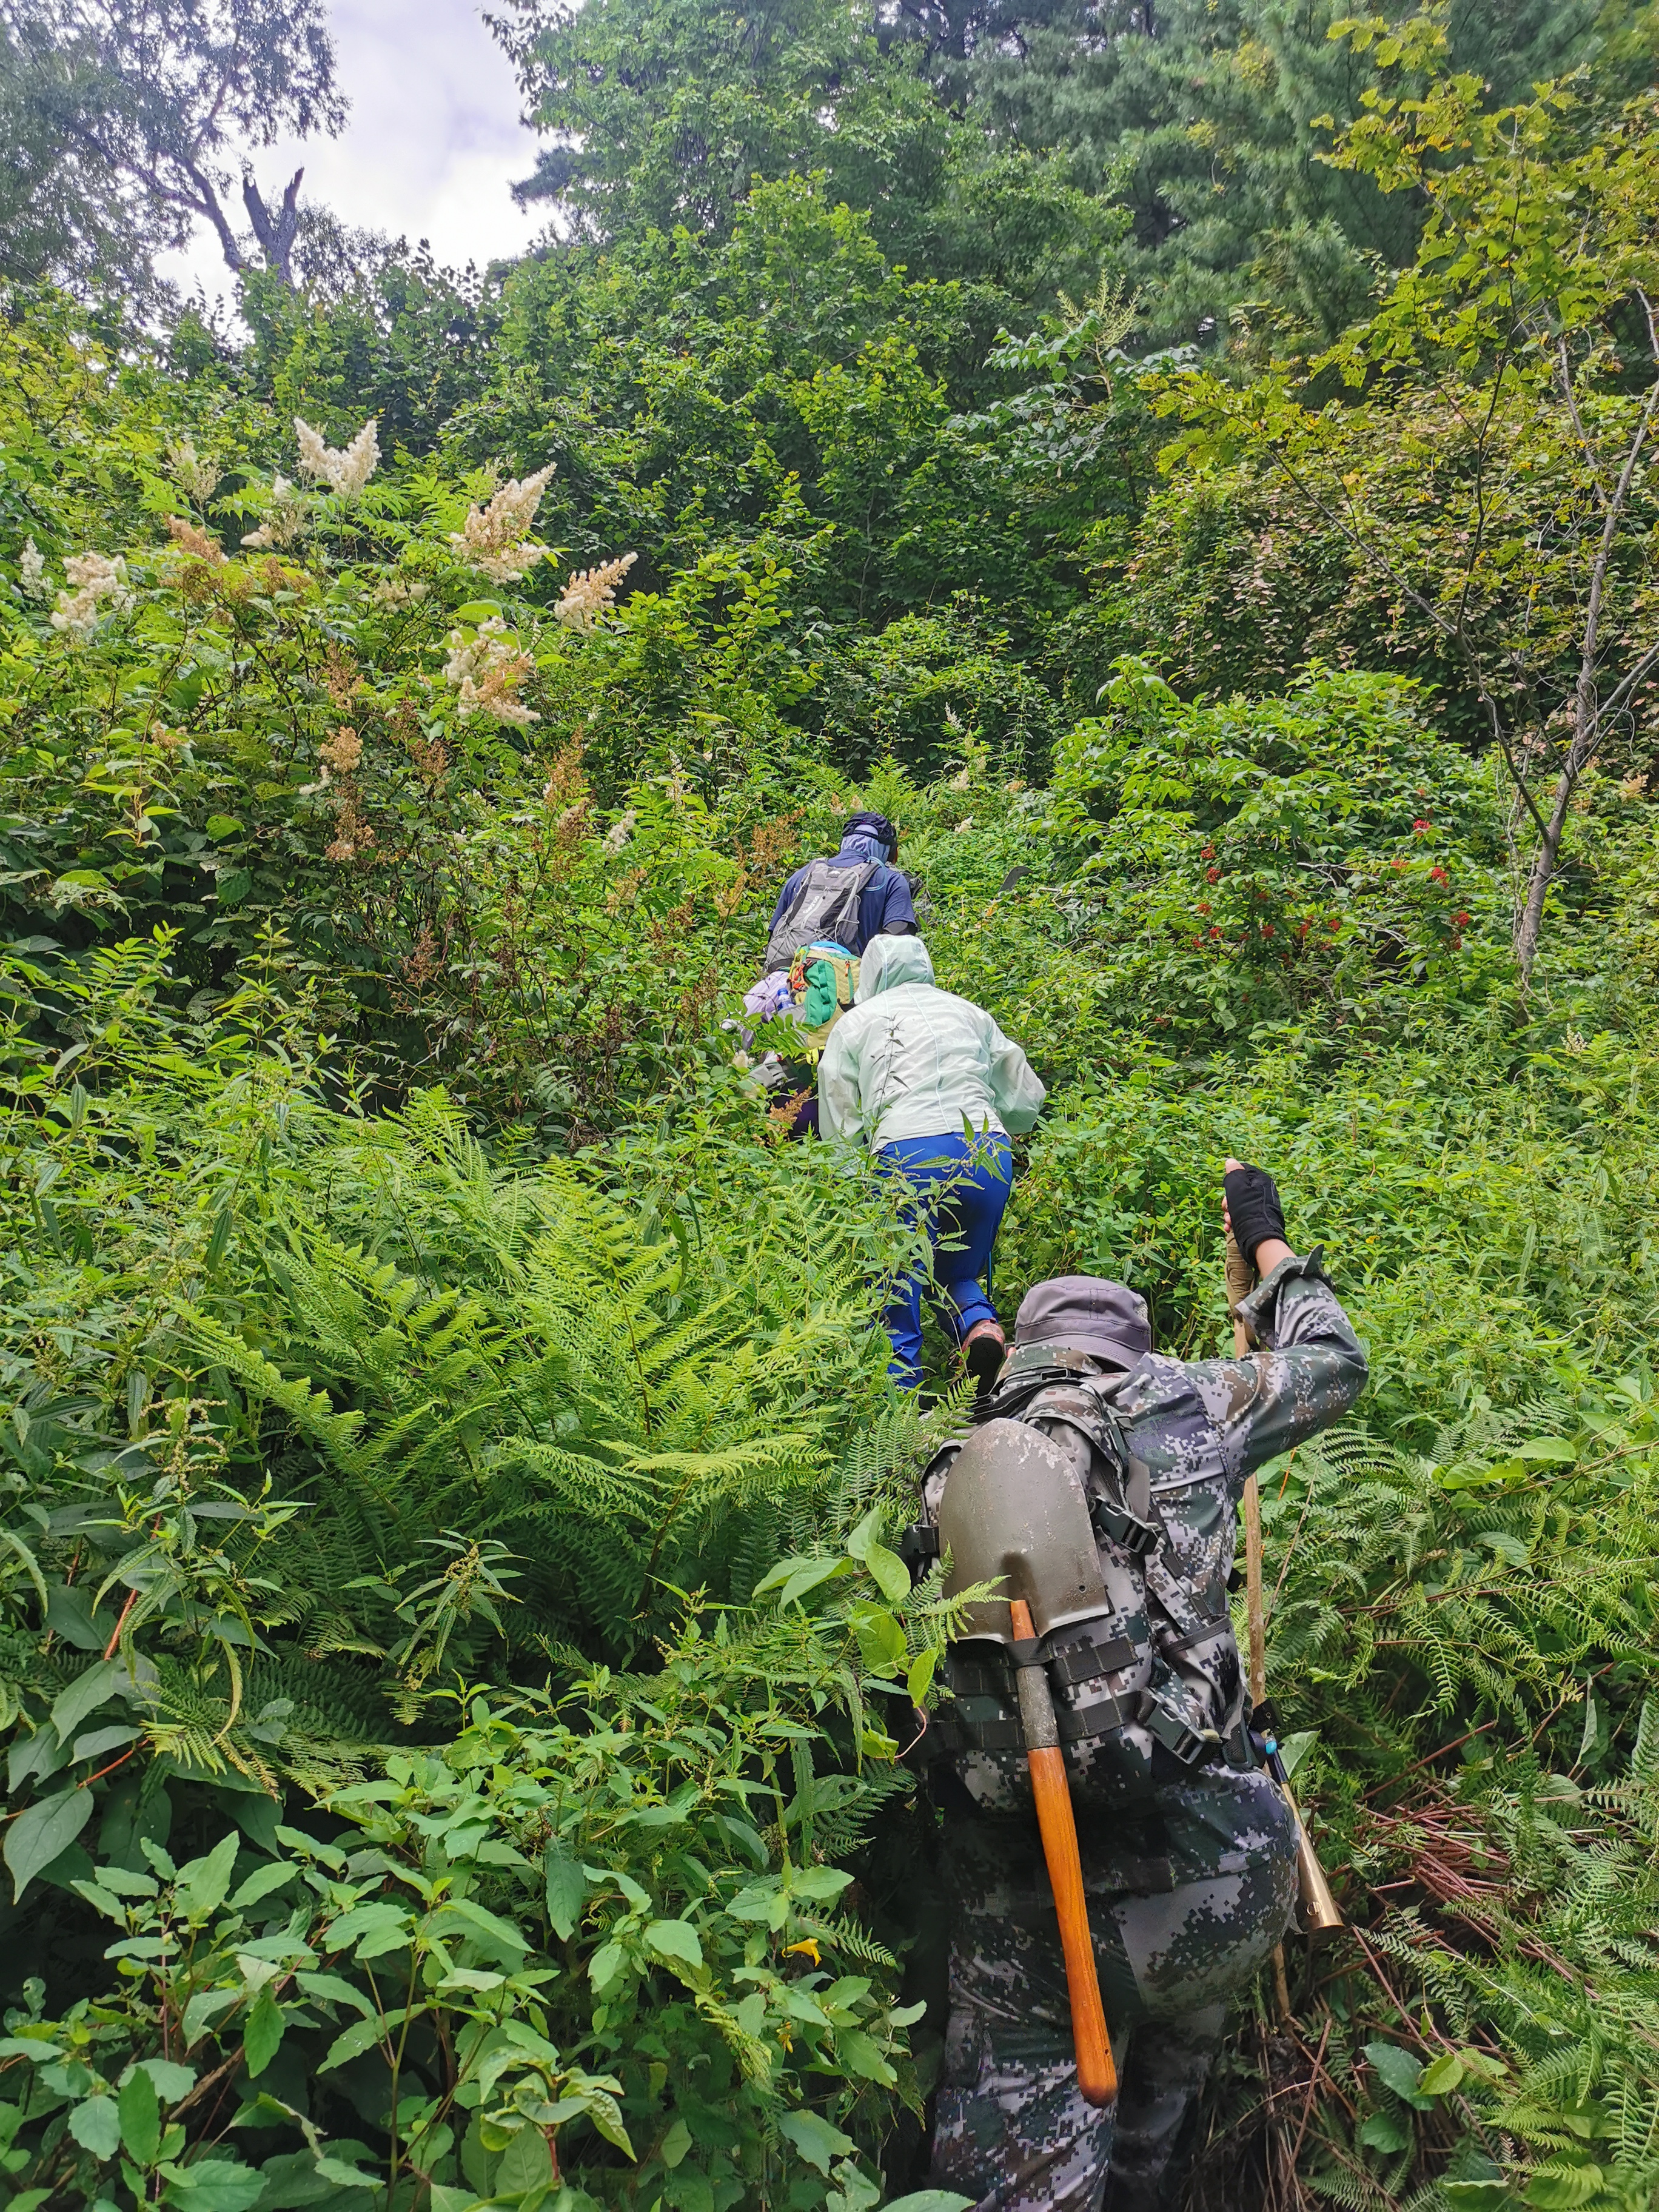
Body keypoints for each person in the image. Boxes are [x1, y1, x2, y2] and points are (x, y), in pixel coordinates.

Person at [919, 1161, 1368, 2212]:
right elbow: (1336, 1361)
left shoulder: (950, 1469)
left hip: (1034, 1914)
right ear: (1134, 1353)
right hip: (1221, 1880)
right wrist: (1264, 1240)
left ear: (1022, 1361)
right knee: (1156, 2126)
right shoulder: (1187, 1402)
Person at [817, 935, 1045, 1389]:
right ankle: (979, 1328)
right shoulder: (970, 1013)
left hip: (906, 1153)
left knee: (897, 1282)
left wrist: (850, 1179)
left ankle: (903, 1412)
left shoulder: (858, 1021)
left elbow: (840, 1120)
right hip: (986, 1151)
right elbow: (1025, 1100)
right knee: (956, 1266)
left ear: (869, 976)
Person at [764, 811, 917, 970]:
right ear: (885, 849)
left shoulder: (803, 874)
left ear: (845, 841)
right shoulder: (891, 880)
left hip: (784, 976)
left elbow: (775, 934)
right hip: (844, 984)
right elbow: (898, 947)